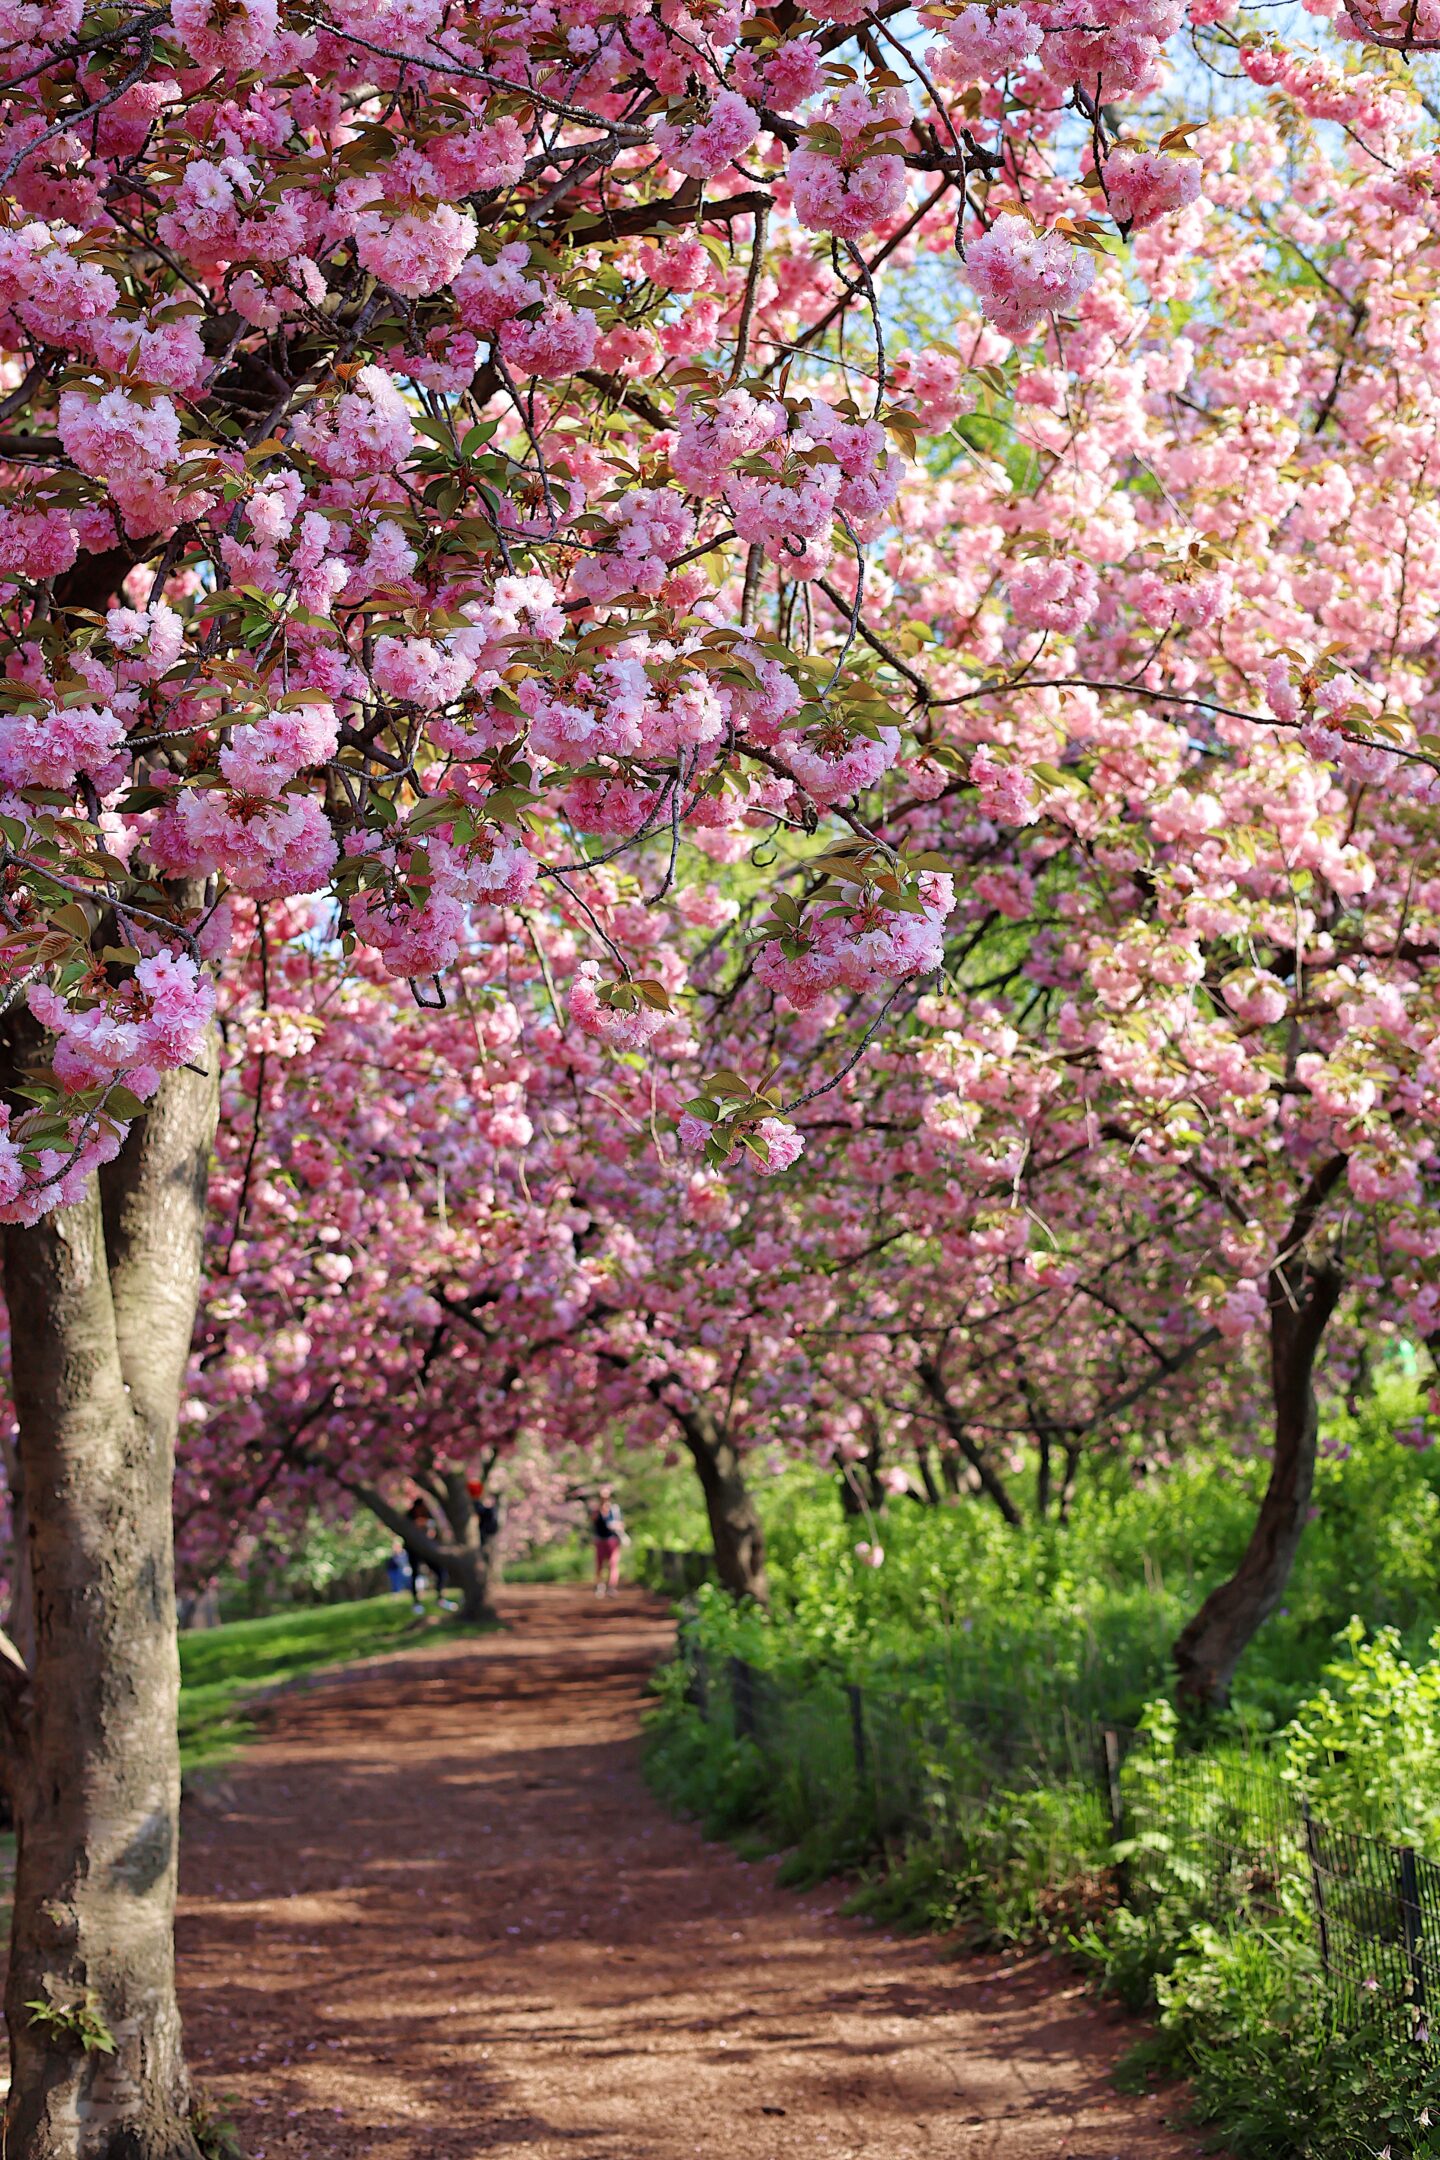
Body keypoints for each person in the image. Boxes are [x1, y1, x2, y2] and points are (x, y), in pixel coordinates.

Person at [405, 1494, 444, 1612]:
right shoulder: (409, 1517)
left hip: (426, 1548)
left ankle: (440, 1597)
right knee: (415, 1574)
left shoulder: (428, 1516)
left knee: (440, 1571)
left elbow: (434, 1530)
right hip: (413, 1549)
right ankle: (416, 1602)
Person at [591, 1485, 625, 1598]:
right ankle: (600, 1587)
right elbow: (594, 1523)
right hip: (600, 1540)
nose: (604, 1499)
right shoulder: (596, 1510)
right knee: (600, 1565)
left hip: (612, 1540)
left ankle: (611, 1587)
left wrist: (614, 1525)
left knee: (613, 1563)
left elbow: (621, 1524)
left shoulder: (614, 1510)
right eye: (602, 1497)